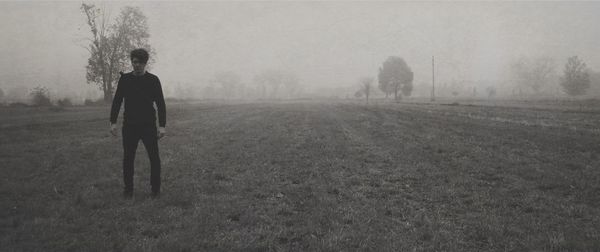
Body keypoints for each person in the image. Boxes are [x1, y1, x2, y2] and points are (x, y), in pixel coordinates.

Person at [110, 48, 166, 199]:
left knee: (154, 158)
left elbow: (161, 104)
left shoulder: (153, 80)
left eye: (140, 63)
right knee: (128, 159)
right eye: (134, 62)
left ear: (145, 63)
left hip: (148, 126)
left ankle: (155, 190)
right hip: (129, 126)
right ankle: (128, 191)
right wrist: (113, 122)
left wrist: (162, 126)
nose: (136, 65)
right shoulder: (125, 79)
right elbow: (117, 101)